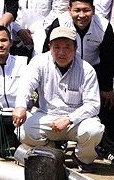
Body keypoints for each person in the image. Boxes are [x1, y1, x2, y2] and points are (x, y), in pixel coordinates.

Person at [44, 0, 114, 165]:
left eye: (86, 10)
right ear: (69, 9)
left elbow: (109, 58)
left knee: (107, 104)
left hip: (93, 70)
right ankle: (59, 141)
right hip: (63, 69)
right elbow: (47, 52)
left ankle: (110, 148)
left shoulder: (103, 25)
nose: (81, 15)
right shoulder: (60, 23)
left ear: (93, 9)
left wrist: (107, 87)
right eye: (77, 10)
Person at [13, 27, 104, 172]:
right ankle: (52, 151)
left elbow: (93, 105)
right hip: (47, 115)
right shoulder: (39, 62)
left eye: (67, 47)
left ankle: (82, 157)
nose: (62, 52)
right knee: (24, 131)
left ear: (76, 48)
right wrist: (20, 106)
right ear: (50, 47)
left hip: (77, 120)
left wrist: (69, 118)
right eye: (57, 47)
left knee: (94, 130)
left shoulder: (86, 70)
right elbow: (26, 84)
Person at [0, 26, 30, 158]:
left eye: (4, 40)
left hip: (20, 117)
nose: (0, 45)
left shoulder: (24, 63)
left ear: (11, 42)